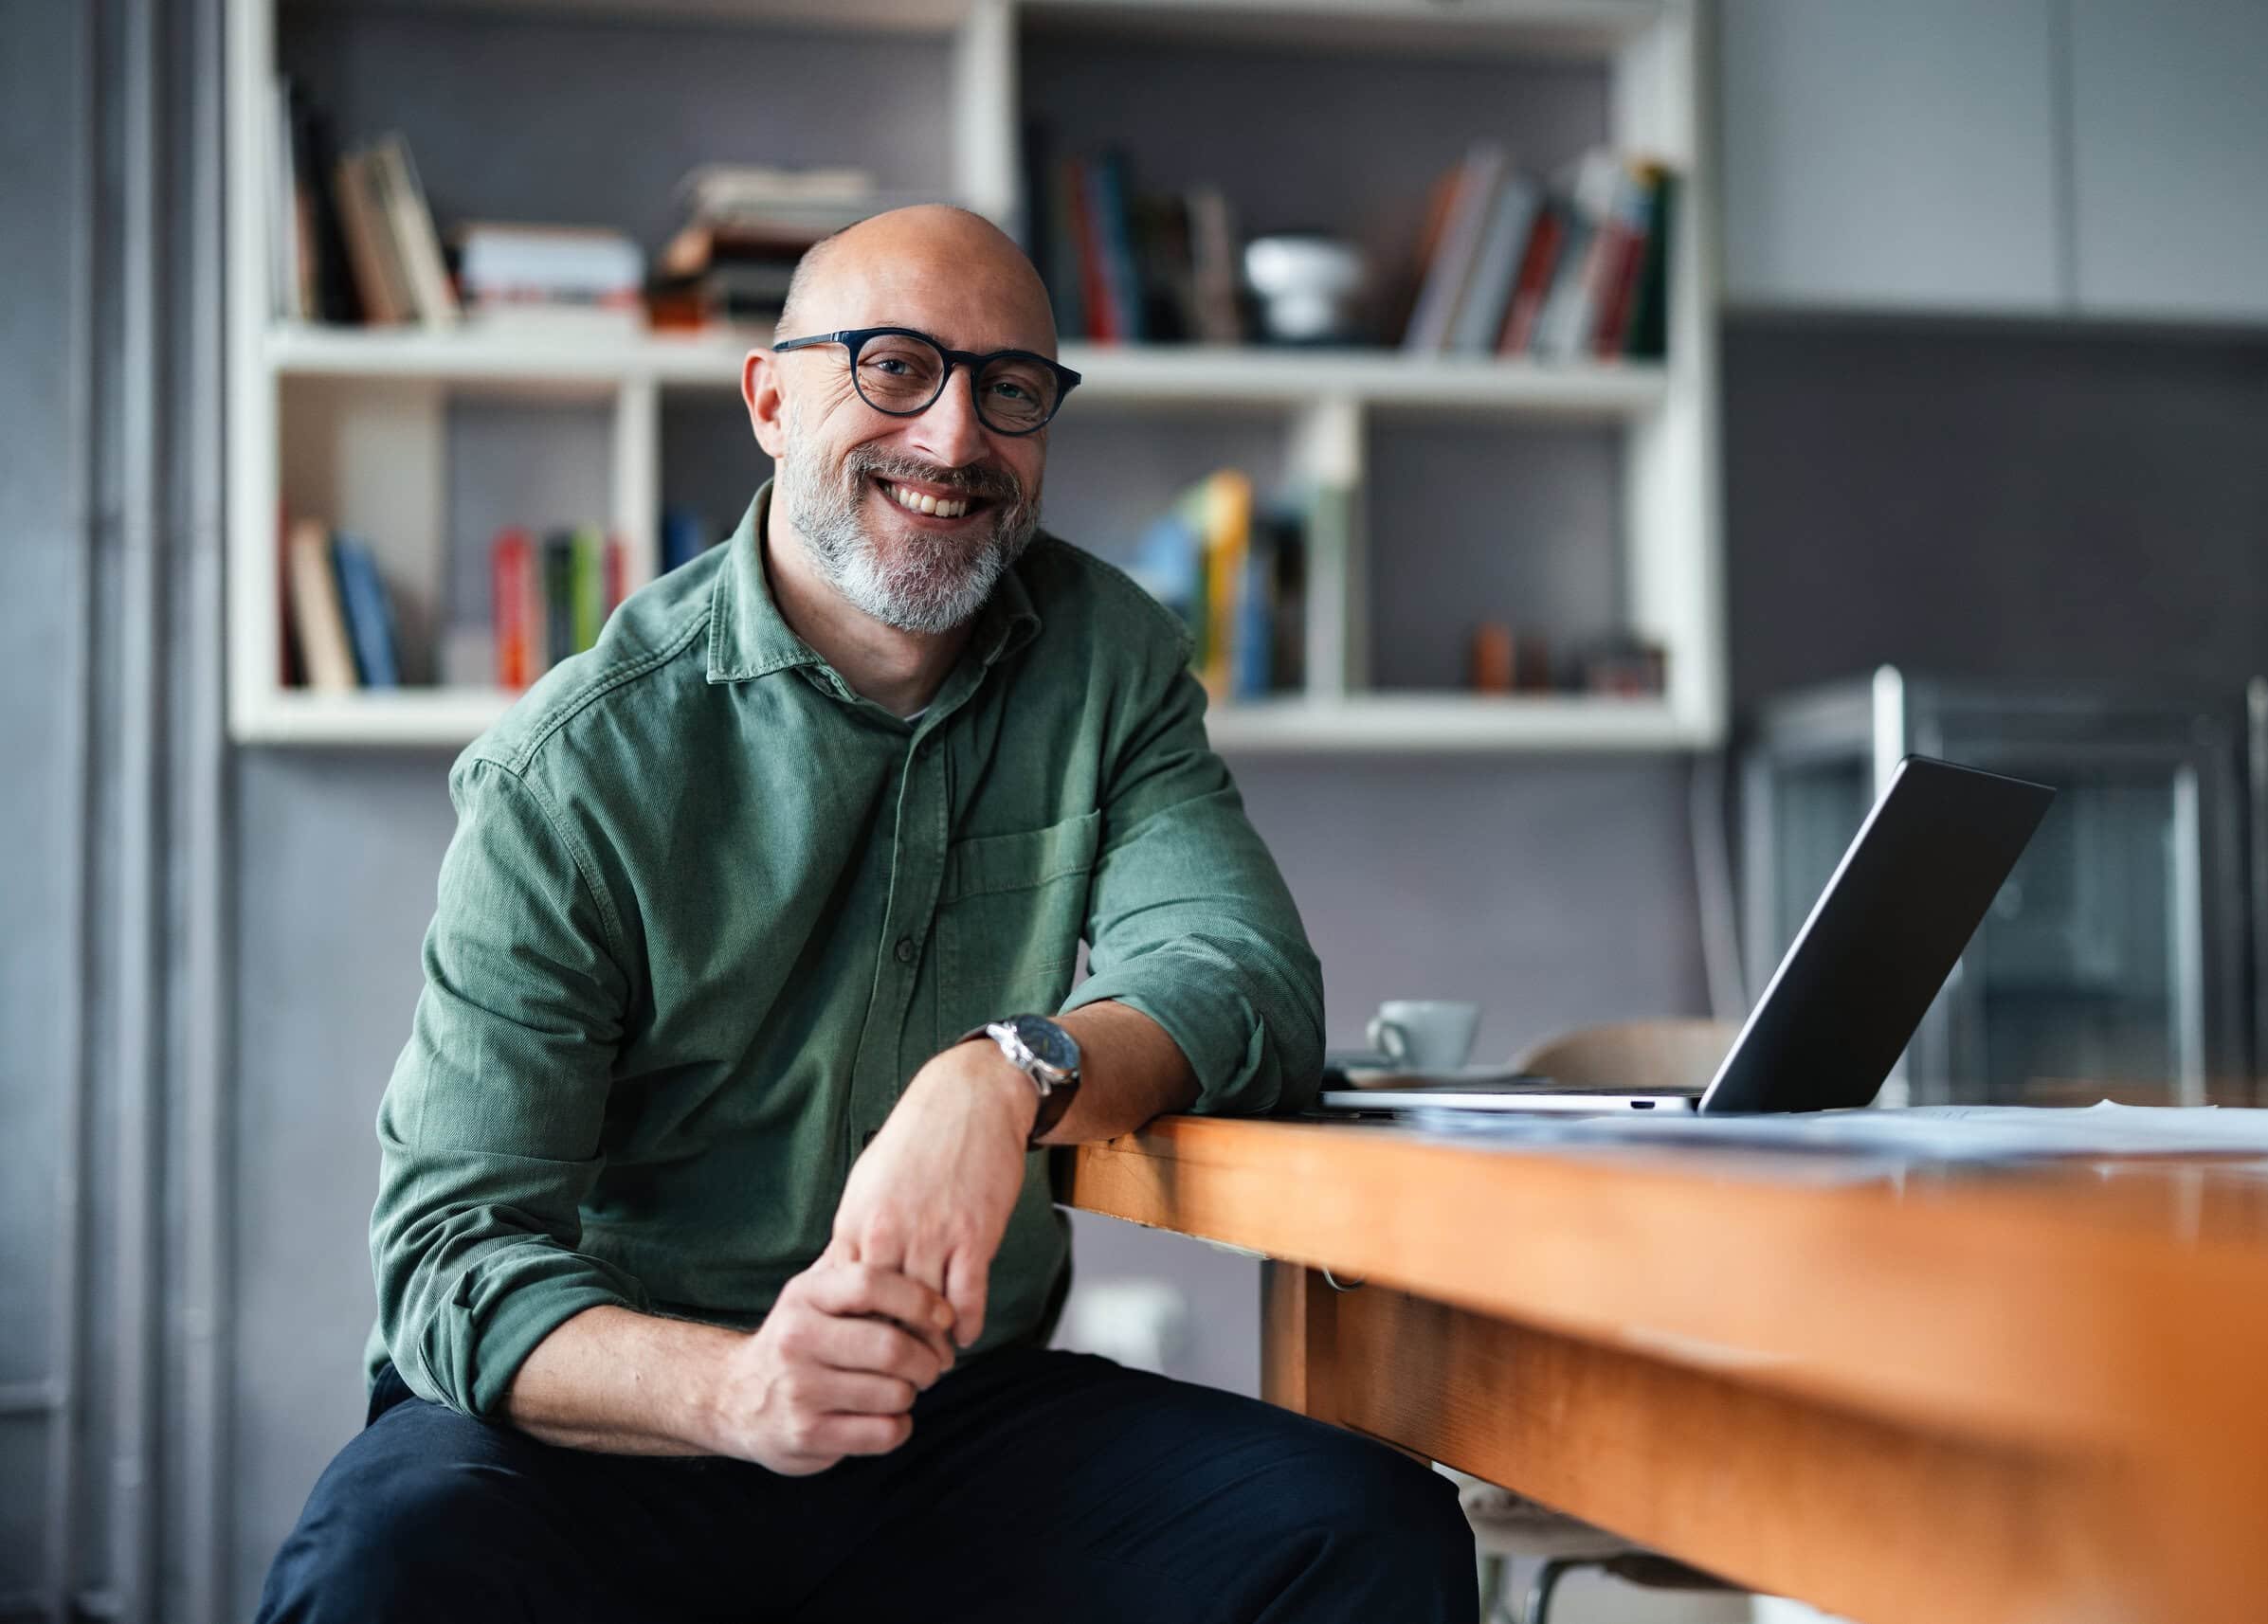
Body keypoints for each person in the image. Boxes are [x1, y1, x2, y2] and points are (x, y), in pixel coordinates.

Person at [256, 206, 1476, 1622]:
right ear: (774, 401)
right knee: (381, 1564)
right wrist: (740, 1389)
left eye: (1010, 387)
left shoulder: (1108, 658)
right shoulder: (575, 765)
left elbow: (1241, 975)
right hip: (605, 1424)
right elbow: (447, 1256)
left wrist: (1002, 1073)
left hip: (942, 1421)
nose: (956, 437)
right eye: (895, 367)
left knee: (1362, 1528)